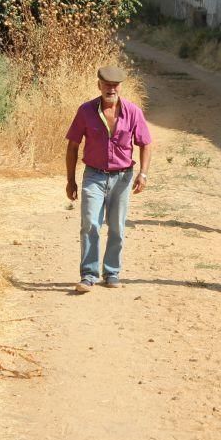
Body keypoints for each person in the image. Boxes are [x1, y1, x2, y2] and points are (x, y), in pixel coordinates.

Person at [65, 66, 152, 293]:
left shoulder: (133, 112)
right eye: (106, 85)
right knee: (90, 223)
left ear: (120, 87)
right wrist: (70, 180)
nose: (110, 89)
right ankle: (89, 275)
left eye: (115, 86)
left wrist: (143, 173)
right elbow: (73, 146)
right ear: (99, 85)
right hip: (93, 175)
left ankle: (112, 272)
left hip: (122, 178)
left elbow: (145, 144)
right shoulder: (85, 111)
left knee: (116, 226)